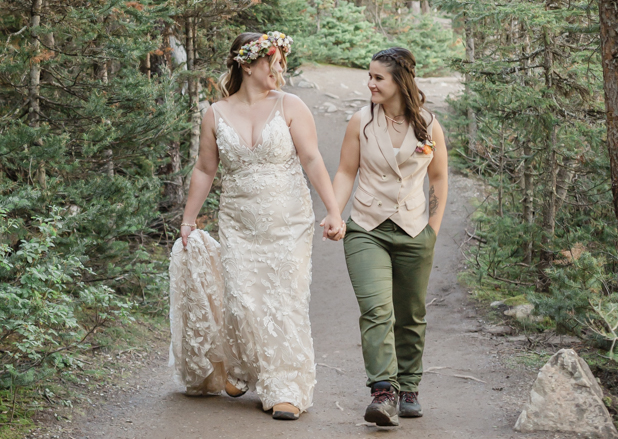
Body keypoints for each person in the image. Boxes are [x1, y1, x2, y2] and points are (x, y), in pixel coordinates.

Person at [175, 31, 345, 420]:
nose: (279, 67)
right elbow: (204, 168)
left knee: (284, 301)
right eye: (272, 59)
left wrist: (333, 211)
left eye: (280, 59)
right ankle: (244, 366)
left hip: (288, 221)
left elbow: (313, 160)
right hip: (238, 221)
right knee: (241, 299)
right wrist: (188, 219)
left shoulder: (291, 105)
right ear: (247, 64)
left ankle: (285, 387)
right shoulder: (215, 113)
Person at [331, 46, 448, 427]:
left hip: (415, 230)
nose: (370, 83)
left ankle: (409, 387)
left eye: (378, 77)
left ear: (400, 80)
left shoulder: (429, 125)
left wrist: (433, 228)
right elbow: (347, 171)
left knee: (411, 314)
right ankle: (384, 391)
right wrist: (335, 212)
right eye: (369, 76)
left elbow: (438, 177)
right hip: (366, 228)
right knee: (377, 310)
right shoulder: (359, 122)